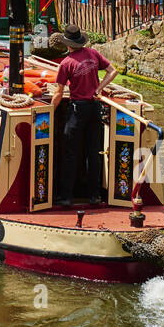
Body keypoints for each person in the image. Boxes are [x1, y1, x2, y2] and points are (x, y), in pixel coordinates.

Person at [50, 26, 116, 207]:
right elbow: (113, 71)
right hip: (95, 107)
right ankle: (94, 196)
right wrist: (99, 88)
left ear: (67, 44)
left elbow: (58, 93)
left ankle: (66, 197)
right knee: (93, 153)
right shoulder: (93, 54)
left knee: (70, 153)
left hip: (77, 109)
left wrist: (48, 112)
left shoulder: (66, 63)